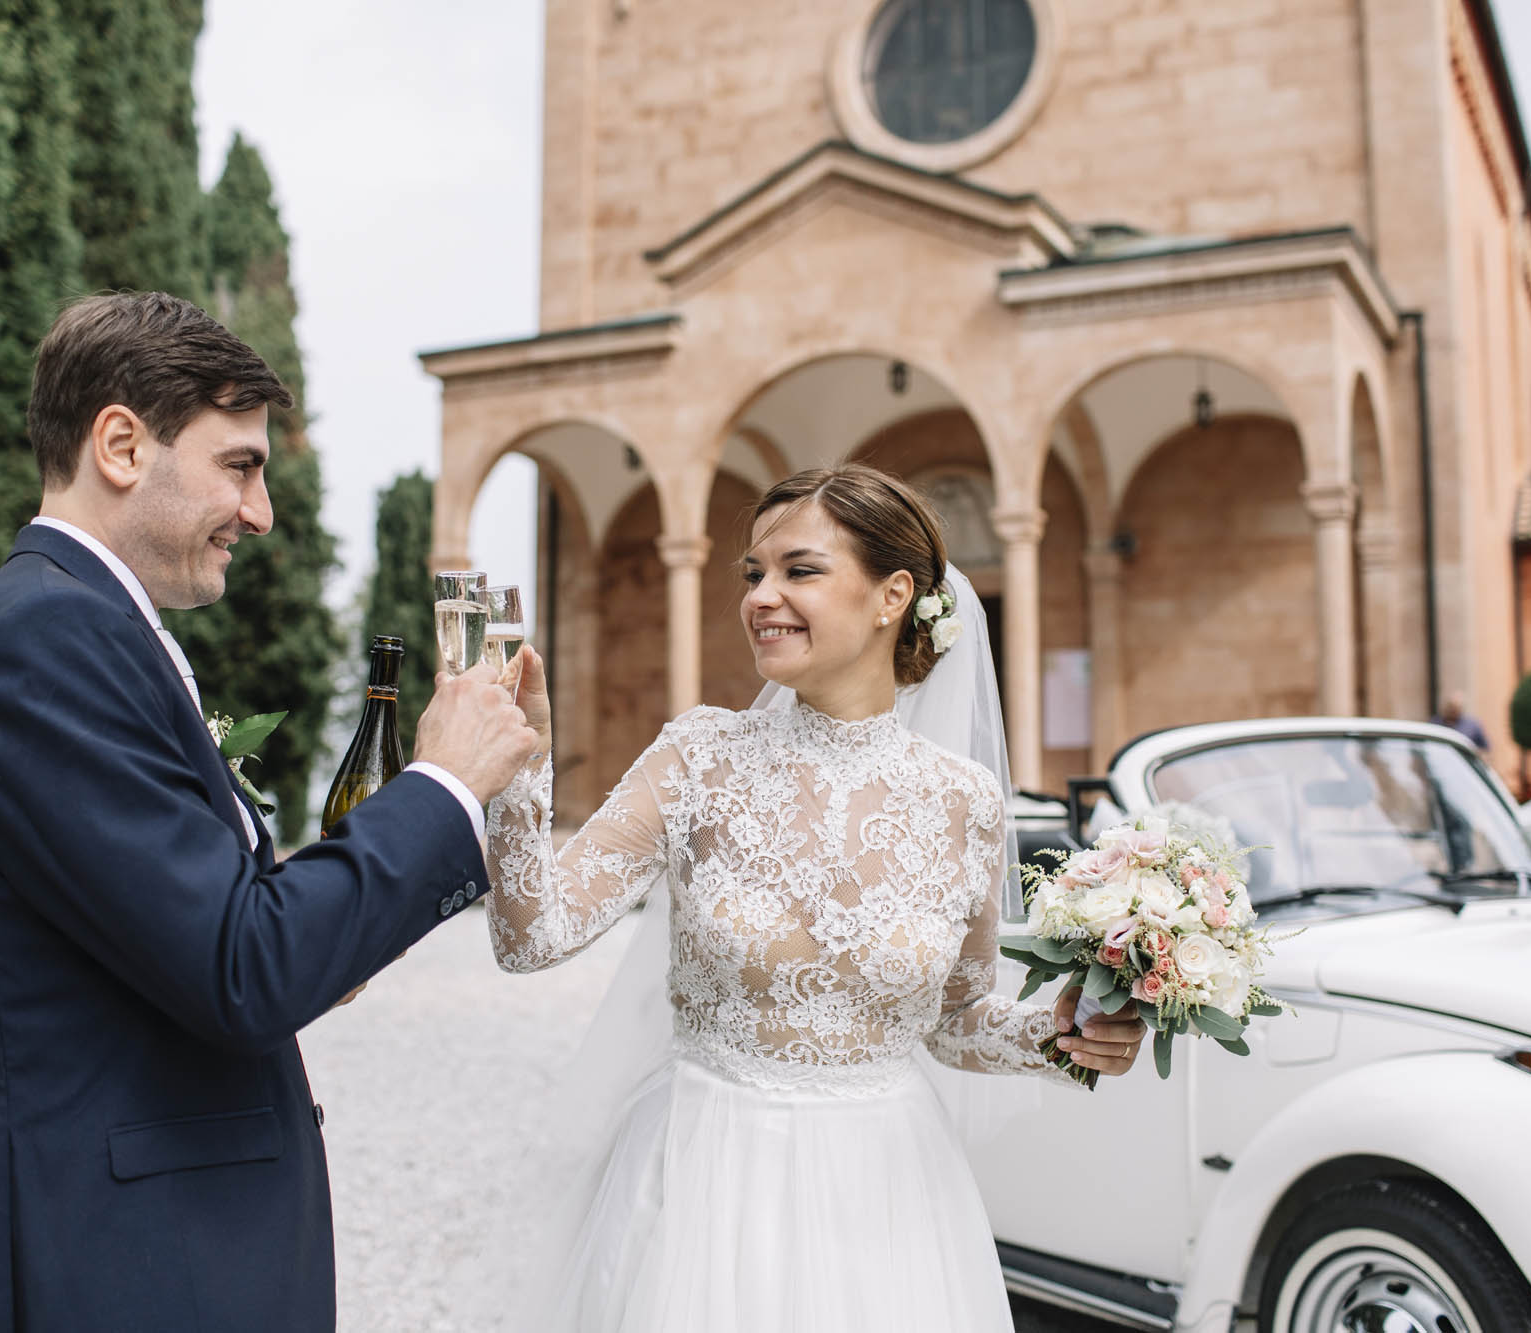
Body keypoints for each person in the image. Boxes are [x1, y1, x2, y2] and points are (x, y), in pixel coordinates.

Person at [0, 292, 536, 1332]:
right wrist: (445, 784)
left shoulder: (78, 626)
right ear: (120, 444)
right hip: (105, 1267)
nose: (261, 510)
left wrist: (339, 938)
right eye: (239, 463)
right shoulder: (41, 643)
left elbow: (193, 939)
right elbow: (245, 967)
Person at [485, 464, 1147, 1332]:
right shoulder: (699, 759)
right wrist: (518, 771)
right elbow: (529, 935)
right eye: (753, 573)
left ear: (892, 596)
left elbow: (952, 1020)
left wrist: (1061, 1034)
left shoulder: (966, 802)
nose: (762, 596)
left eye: (798, 570)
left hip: (886, 1199)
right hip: (703, 1180)